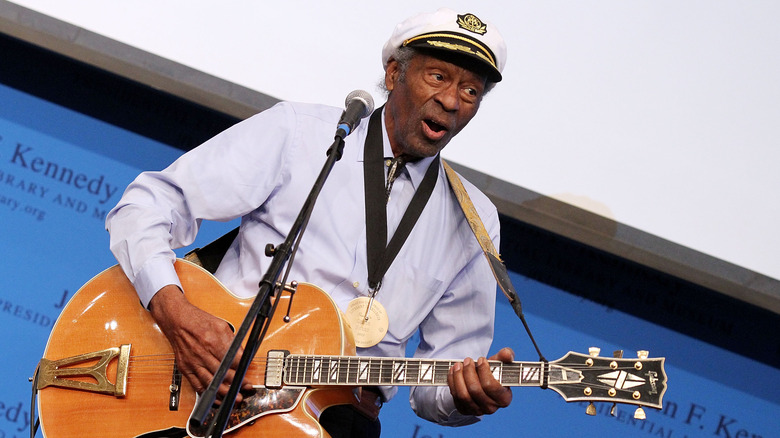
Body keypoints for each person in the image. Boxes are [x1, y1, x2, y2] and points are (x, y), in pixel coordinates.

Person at [106, 8, 513, 437]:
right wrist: (176, 313)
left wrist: (467, 398)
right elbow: (147, 204)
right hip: (215, 390)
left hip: (341, 420)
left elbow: (440, 383)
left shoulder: (475, 220)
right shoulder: (301, 134)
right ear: (394, 74)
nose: (451, 101)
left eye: (470, 91)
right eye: (438, 77)